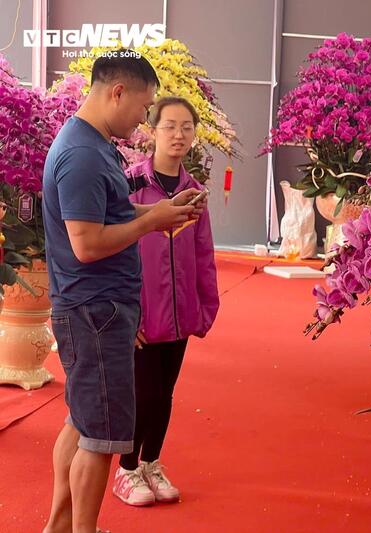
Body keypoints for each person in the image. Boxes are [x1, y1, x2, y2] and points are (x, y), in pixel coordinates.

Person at [42, 51, 204, 533]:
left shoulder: (93, 145)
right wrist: (153, 219)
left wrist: (158, 212)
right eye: (144, 107)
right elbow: (87, 244)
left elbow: (107, 217)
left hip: (95, 308)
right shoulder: (83, 155)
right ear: (117, 93)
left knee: (81, 422)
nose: (143, 120)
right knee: (101, 437)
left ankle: (60, 525)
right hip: (94, 310)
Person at [112, 96, 219, 506]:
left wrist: (204, 306)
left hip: (179, 314)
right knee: (143, 394)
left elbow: (203, 255)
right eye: (170, 126)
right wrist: (126, 313)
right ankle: (125, 469)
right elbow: (116, 250)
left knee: (166, 393)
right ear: (151, 131)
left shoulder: (195, 193)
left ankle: (151, 463)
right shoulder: (130, 183)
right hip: (140, 316)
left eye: (186, 127)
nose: (178, 134)